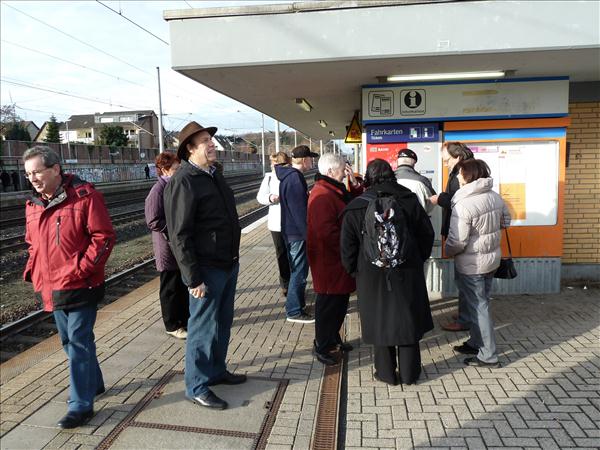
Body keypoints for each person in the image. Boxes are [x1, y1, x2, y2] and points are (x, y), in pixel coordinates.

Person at [22, 146, 115, 428]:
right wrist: (33, 269)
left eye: (37, 171)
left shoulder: (85, 197)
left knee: (77, 343)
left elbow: (104, 236)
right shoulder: (33, 205)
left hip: (80, 284)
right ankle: (94, 383)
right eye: (29, 174)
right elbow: (32, 243)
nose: (33, 178)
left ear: (55, 169)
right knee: (69, 342)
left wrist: (82, 269)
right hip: (51, 286)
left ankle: (81, 405)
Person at [164, 121, 245, 411]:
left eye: (211, 139)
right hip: (206, 269)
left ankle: (215, 370)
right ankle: (196, 385)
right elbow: (179, 234)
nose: (212, 144)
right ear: (190, 148)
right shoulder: (183, 181)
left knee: (222, 322)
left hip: (227, 263)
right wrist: (192, 278)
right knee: (202, 327)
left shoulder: (214, 175)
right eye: (205, 141)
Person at [341, 159, 434, 385]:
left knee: (379, 320)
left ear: (368, 178)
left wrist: (355, 271)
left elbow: (347, 246)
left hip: (371, 274)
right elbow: (426, 234)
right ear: (392, 175)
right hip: (407, 269)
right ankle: (410, 373)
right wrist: (416, 258)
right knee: (408, 318)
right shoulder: (409, 199)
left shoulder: (356, 206)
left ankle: (385, 373)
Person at [445, 159, 511, 368]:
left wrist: (447, 251)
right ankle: (475, 343)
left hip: (472, 264)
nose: (456, 177)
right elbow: (506, 221)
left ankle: (488, 356)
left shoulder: (463, 203)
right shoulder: (495, 197)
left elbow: (457, 241)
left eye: (459, 173)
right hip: (491, 260)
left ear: (469, 175)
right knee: (480, 305)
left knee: (479, 307)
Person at [307, 154, 362, 365]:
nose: (346, 170)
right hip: (329, 261)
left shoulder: (333, 190)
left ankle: (333, 338)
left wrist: (354, 183)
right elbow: (325, 232)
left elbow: (353, 203)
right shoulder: (321, 194)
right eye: (342, 168)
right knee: (328, 305)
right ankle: (321, 345)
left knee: (340, 302)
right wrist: (349, 245)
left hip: (337, 259)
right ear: (330, 171)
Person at [430, 142, 474, 332]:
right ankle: (467, 313)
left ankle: (466, 319)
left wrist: (439, 199)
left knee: (464, 279)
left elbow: (458, 203)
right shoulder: (467, 169)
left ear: (457, 157)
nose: (446, 164)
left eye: (447, 160)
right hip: (463, 233)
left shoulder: (462, 174)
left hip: (462, 234)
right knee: (464, 279)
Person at [145, 152, 189, 340]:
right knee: (170, 287)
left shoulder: (174, 185)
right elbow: (153, 220)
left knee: (180, 285)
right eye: (175, 169)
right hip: (166, 245)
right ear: (164, 170)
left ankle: (184, 320)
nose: (179, 172)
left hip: (177, 244)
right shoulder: (158, 190)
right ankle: (172, 324)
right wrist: (173, 229)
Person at [275, 145, 319, 324]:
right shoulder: (294, 178)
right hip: (297, 234)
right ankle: (294, 311)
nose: (312, 161)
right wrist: (309, 235)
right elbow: (299, 211)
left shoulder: (289, 177)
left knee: (297, 271)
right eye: (311, 158)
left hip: (291, 231)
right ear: (303, 160)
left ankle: (297, 305)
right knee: (299, 273)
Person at [256, 152, 291, 296]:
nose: (272, 166)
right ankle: (285, 283)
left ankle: (293, 281)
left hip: (291, 222)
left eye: (275, 163)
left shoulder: (291, 176)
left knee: (293, 254)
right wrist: (271, 198)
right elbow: (260, 197)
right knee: (281, 254)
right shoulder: (269, 178)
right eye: (272, 163)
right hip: (276, 224)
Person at [394, 148, 436, 214]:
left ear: (397, 162)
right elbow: (433, 200)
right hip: (417, 221)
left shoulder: (388, 180)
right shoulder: (422, 180)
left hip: (394, 222)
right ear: (413, 163)